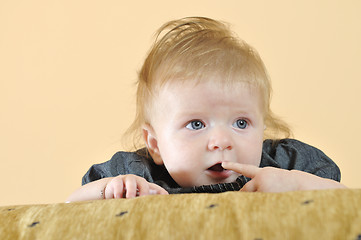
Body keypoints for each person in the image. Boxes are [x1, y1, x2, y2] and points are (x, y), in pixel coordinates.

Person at [66, 17, 345, 202]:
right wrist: (112, 189)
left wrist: (295, 185)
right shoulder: (141, 175)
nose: (222, 141)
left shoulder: (283, 165)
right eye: (196, 124)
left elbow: (347, 201)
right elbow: (70, 204)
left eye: (241, 123)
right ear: (155, 144)